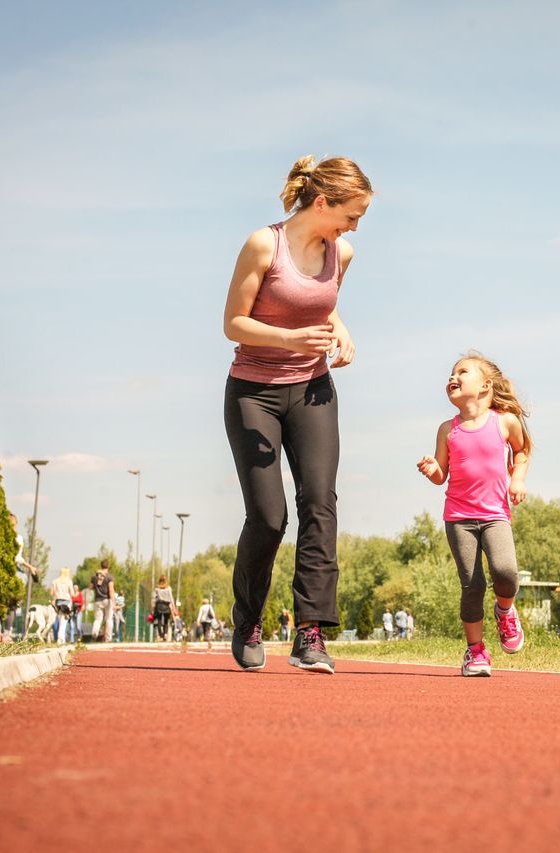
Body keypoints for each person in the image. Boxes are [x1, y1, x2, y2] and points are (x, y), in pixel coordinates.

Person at [222, 154, 373, 675]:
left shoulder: (342, 252)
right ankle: (247, 621)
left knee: (320, 504)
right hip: (254, 392)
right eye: (352, 214)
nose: (355, 227)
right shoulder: (264, 244)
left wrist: (341, 326)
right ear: (324, 201)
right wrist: (288, 338)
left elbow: (320, 302)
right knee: (269, 518)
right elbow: (234, 323)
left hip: (312, 390)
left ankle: (310, 633)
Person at [417, 352, 532, 676]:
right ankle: (476, 652)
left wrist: (518, 479)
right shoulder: (446, 429)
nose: (453, 377)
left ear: (484, 385)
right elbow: (443, 474)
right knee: (472, 585)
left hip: (495, 513)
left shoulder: (504, 421)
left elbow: (522, 451)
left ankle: (505, 611)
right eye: (452, 373)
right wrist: (433, 469)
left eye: (462, 372)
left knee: (505, 571)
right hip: (458, 517)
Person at [4, 512, 42, 642]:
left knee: (1, 603)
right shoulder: (17, 538)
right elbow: (17, 558)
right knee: (12, 604)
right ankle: (6, 633)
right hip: (14, 571)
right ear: (15, 524)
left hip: (2, 569)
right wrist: (30, 567)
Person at [90, 560, 115, 642]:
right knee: (109, 619)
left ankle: (94, 632)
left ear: (101, 566)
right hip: (107, 600)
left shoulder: (94, 577)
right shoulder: (109, 577)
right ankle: (108, 638)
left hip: (97, 600)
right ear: (108, 566)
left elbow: (90, 587)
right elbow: (111, 590)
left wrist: (96, 587)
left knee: (98, 619)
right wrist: (114, 603)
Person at [51, 567, 76, 645]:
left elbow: (52, 593)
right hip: (66, 602)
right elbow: (72, 594)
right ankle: (60, 639)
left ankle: (62, 639)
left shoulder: (55, 581)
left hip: (58, 602)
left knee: (60, 620)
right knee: (64, 622)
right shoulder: (69, 582)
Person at [152, 576, 176, 641]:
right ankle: (165, 634)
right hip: (166, 605)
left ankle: (161, 634)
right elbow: (171, 598)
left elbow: (154, 598)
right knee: (166, 621)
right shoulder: (168, 588)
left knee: (159, 620)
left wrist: (153, 606)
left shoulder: (157, 589)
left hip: (159, 605)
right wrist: (173, 607)